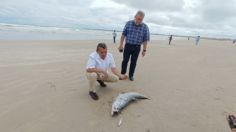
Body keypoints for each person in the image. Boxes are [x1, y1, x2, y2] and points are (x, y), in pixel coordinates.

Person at [118, 10, 150, 81]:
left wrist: (144, 50)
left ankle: (131, 75)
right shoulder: (128, 23)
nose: (139, 21)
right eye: (138, 19)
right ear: (135, 17)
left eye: (141, 19)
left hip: (137, 47)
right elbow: (123, 35)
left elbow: (145, 40)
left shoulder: (145, 27)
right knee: (125, 60)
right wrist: (121, 45)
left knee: (133, 62)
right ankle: (122, 74)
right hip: (128, 46)